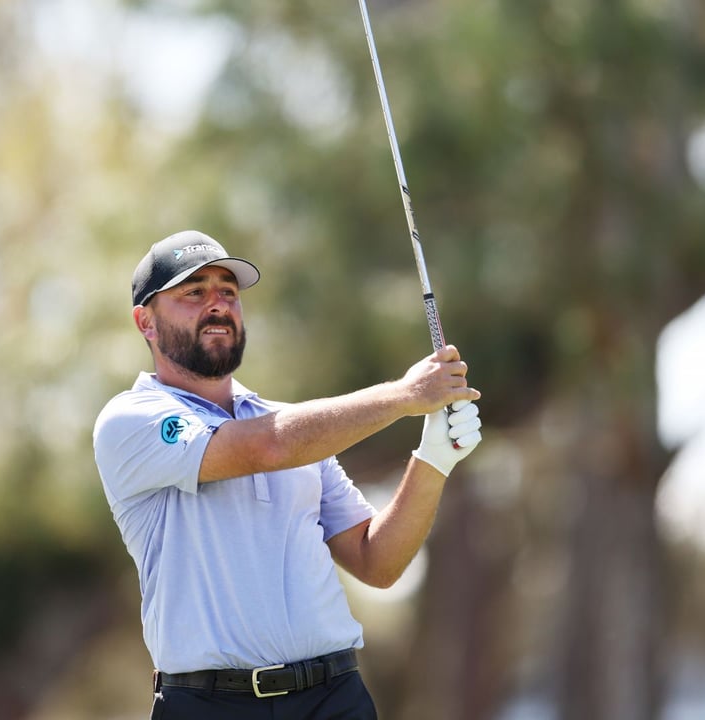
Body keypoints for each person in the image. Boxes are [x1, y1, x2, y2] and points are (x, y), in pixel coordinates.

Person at [92, 230, 483, 720]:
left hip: (334, 698)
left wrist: (433, 460)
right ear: (145, 321)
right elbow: (267, 446)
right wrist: (404, 395)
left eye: (228, 292)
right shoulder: (130, 421)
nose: (217, 304)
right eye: (193, 292)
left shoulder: (295, 429)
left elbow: (377, 562)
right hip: (210, 706)